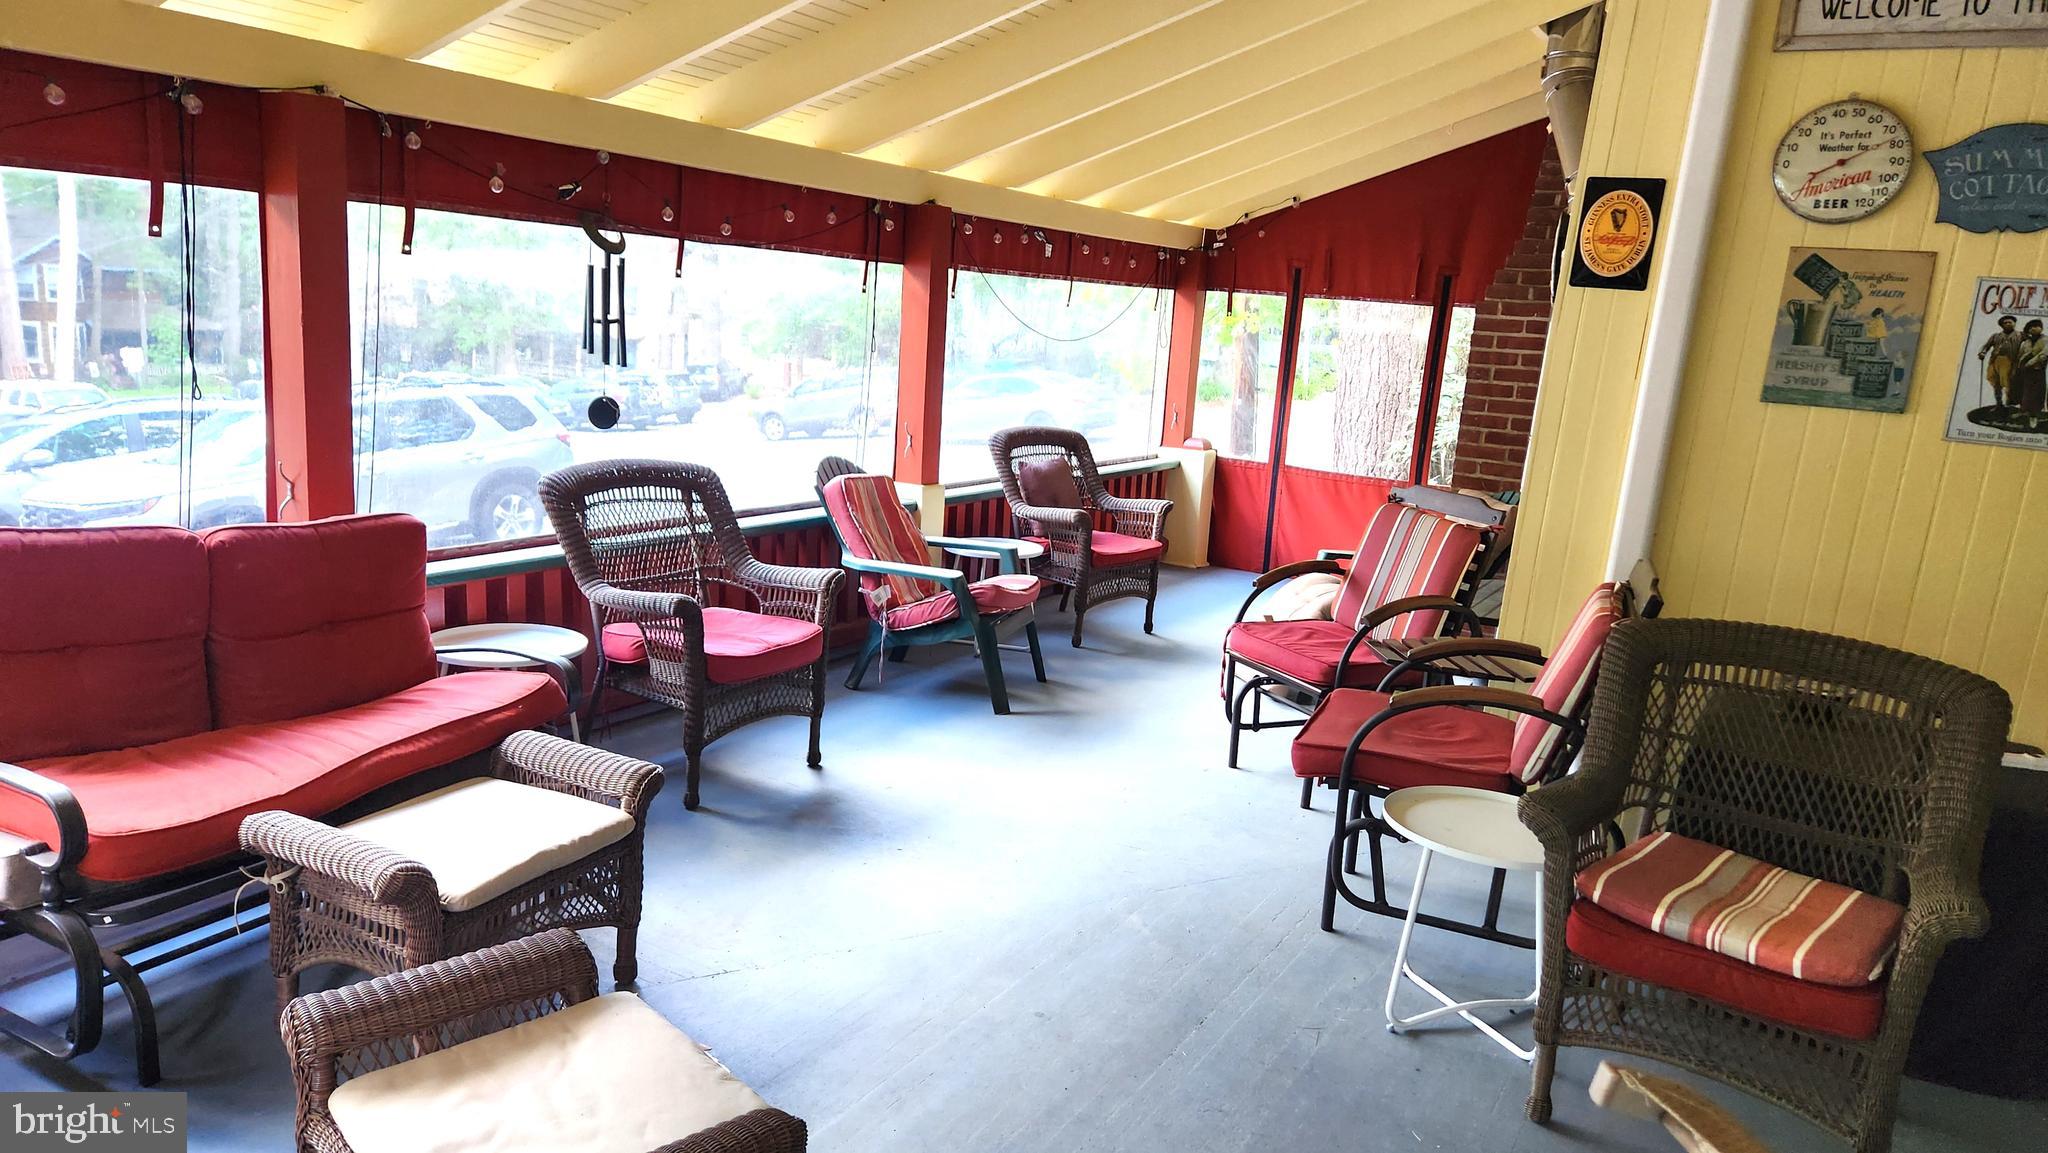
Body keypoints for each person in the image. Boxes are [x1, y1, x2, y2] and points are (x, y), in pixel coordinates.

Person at [1979, 314, 2023, 408]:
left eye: (2010, 322)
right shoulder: (1996, 336)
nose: (2007, 324)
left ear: (2014, 323)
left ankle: (2009, 404)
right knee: (1996, 383)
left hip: (2011, 362)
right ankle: (1999, 404)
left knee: (2009, 384)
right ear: (2001, 325)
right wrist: (1982, 353)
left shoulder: (2021, 335)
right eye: (2005, 323)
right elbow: (1986, 346)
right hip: (1995, 362)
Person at [2017, 318, 2047, 414]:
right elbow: (2021, 355)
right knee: (2025, 389)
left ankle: (2036, 413)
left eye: (2037, 326)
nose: (2034, 328)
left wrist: (2030, 363)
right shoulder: (2026, 342)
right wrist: (2020, 365)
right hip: (2025, 370)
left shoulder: (2045, 340)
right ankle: (2024, 410)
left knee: (2038, 390)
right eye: (2031, 327)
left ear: (2041, 328)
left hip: (2038, 369)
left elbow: (2044, 354)